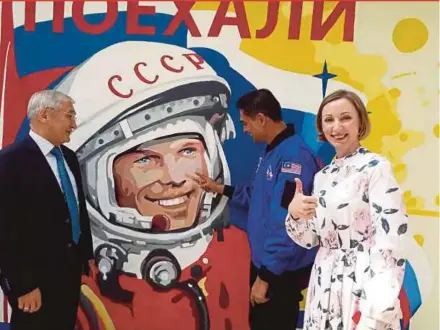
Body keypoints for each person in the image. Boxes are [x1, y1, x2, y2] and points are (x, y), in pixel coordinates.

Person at [191, 88, 320, 330]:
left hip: (279, 273)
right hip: (266, 266)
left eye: (246, 123)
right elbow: (257, 196)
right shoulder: (271, 151)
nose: (245, 130)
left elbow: (287, 224)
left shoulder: (294, 159)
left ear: (261, 118)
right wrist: (218, 188)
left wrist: (266, 278)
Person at [285, 90, 407, 330]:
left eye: (345, 118)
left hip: (361, 285)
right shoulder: (322, 177)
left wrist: (379, 308)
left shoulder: (376, 168)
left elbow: (391, 240)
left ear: (360, 120)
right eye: (328, 120)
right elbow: (311, 239)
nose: (336, 127)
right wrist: (295, 215)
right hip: (324, 285)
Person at [0, 90, 94, 330]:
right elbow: (5, 230)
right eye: (69, 116)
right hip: (34, 282)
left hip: (68, 274)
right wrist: (22, 285)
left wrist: (84, 256)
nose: (74, 124)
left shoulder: (69, 158)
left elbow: (75, 209)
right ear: (44, 115)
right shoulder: (10, 161)